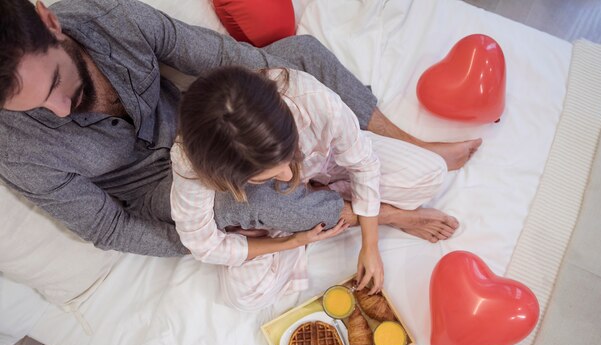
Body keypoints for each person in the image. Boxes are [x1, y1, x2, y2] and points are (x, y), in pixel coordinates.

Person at [0, 0, 481, 257]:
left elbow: (226, 58)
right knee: (252, 198)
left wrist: (276, 101)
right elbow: (108, 227)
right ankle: (378, 214)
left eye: (57, 83)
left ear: (50, 21)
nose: (60, 111)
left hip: (202, 125)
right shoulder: (13, 149)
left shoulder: (114, 17)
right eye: (34, 107)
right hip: (155, 183)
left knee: (302, 57)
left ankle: (412, 144)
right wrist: (212, 239)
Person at [172, 66, 459, 310]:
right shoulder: (191, 162)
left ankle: (357, 214)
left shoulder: (312, 99)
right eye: (264, 176)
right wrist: (291, 242)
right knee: (244, 296)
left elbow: (363, 163)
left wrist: (370, 245)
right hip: (277, 212)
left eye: (289, 156)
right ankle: (379, 215)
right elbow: (204, 244)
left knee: (430, 174)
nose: (287, 176)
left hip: (330, 168)